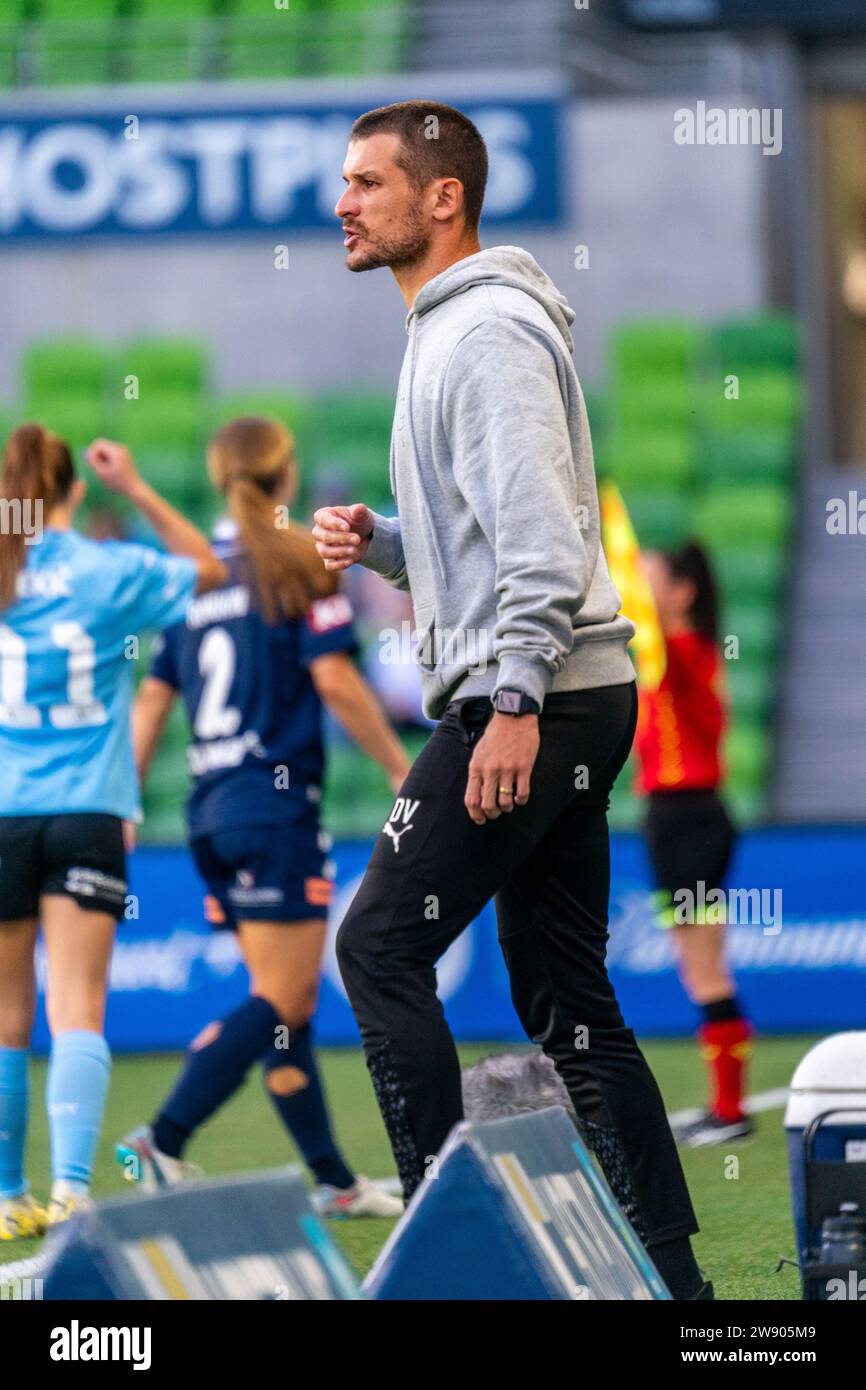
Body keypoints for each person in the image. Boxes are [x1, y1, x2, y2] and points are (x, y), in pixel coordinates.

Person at [313, 100, 710, 1298]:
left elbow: (543, 540)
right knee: (568, 1002)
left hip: (534, 696)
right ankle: (680, 1290)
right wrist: (386, 542)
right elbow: (482, 545)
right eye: (345, 182)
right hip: (562, 690)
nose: (343, 202)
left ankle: (456, 1262)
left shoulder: (481, 330)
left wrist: (515, 701)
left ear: (442, 198)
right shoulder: (449, 327)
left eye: (368, 182)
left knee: (378, 944)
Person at [124, 416, 408, 1218]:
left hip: (210, 813)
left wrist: (127, 798)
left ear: (221, 479)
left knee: (285, 1007)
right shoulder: (296, 561)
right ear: (285, 478)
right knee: (280, 1001)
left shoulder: (195, 579)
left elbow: (152, 701)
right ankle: (164, 1139)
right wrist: (399, 766)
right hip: (275, 811)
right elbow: (339, 683)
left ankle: (335, 1182)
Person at [0, 425, 224, 1240]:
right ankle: (69, 1192)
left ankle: (6, 1198)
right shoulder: (106, 568)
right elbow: (209, 566)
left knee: (4, 1017)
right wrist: (136, 487)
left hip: (3, 814)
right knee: (78, 1008)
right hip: (89, 812)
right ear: (74, 489)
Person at [637, 542, 754, 1146]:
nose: (638, 585)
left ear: (682, 592)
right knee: (698, 968)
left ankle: (731, 1113)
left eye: (651, 578)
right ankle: (727, 1108)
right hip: (672, 819)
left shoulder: (686, 653)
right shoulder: (670, 655)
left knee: (706, 970)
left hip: (690, 818)